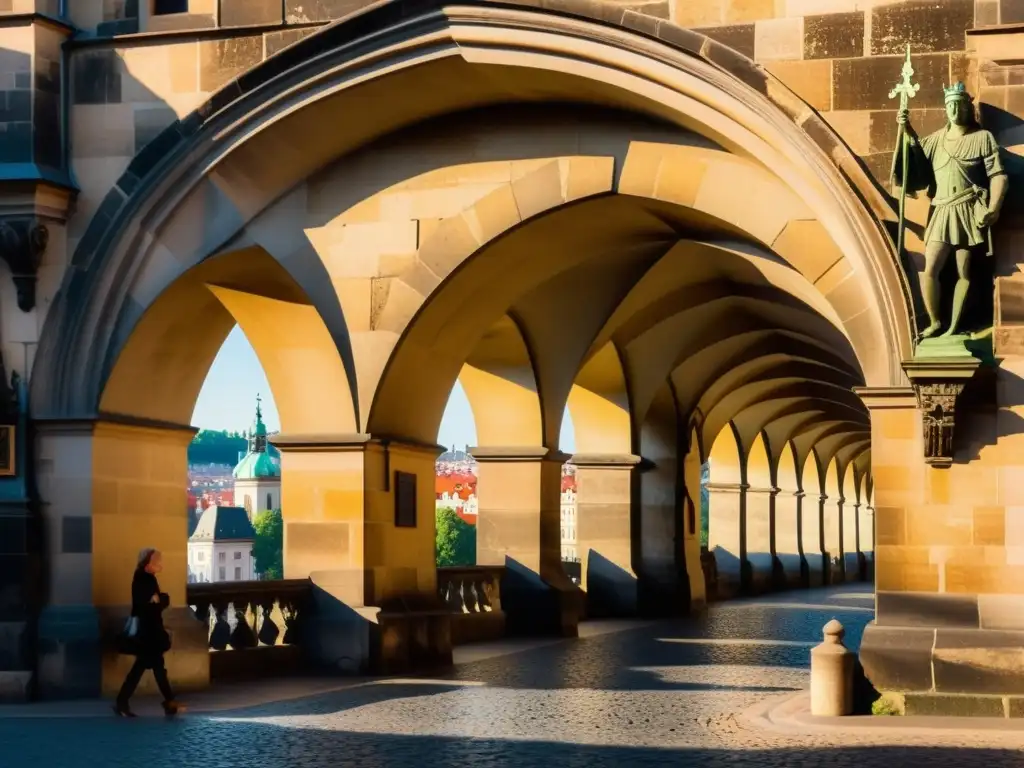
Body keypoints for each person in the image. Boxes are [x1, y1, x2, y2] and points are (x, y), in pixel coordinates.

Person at [892, 81, 1009, 340]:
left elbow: (998, 174)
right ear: (946, 109)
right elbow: (916, 166)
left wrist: (994, 208)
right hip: (941, 209)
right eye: (950, 105)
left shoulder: (982, 138)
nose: (955, 110)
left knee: (963, 271)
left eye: (959, 104)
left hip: (967, 209)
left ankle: (955, 325)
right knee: (930, 267)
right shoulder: (935, 141)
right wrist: (907, 130)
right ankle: (935, 322)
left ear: (968, 107)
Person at [113, 548, 187, 717]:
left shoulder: (146, 578)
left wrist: (159, 599)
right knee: (155, 669)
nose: (160, 564)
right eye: (156, 561)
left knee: (143, 669)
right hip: (148, 633)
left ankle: (123, 702)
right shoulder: (142, 579)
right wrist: (160, 600)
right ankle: (169, 702)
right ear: (148, 563)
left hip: (150, 632)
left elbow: (158, 600)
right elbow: (149, 605)